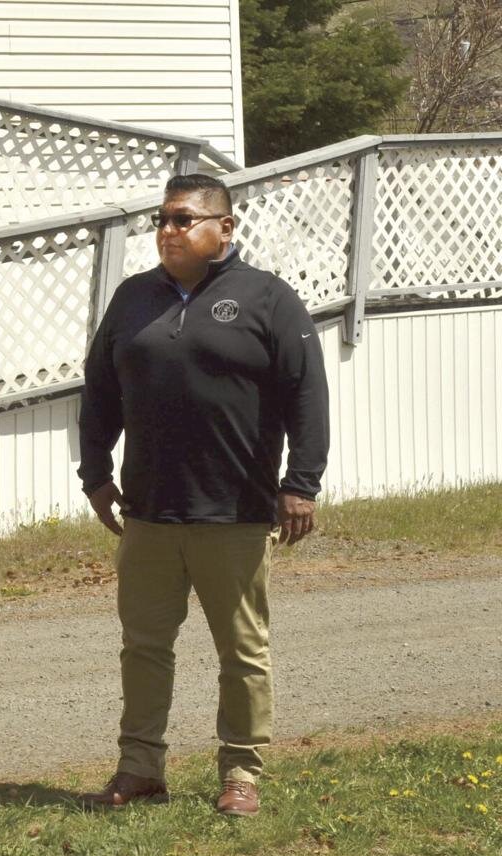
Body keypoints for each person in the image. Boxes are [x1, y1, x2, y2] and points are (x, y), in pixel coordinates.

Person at [77, 174, 329, 817]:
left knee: (243, 651)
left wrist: (301, 484)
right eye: (161, 219)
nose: (168, 231)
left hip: (235, 511)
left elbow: (307, 394)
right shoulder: (133, 299)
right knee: (143, 645)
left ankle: (242, 773)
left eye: (183, 219)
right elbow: (100, 391)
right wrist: (95, 474)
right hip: (150, 512)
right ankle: (140, 769)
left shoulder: (268, 299)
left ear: (226, 227)